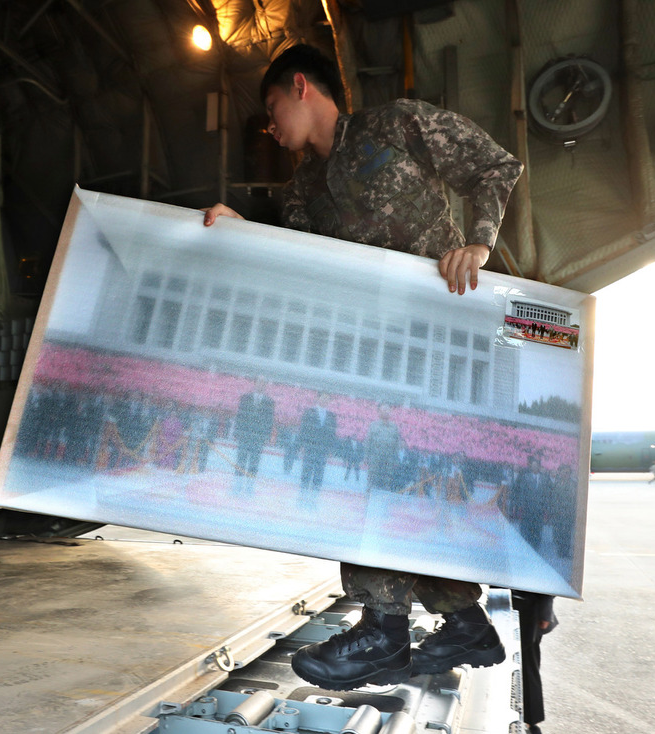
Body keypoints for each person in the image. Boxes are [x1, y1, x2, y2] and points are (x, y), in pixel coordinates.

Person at [203, 43, 522, 690]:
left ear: (301, 87)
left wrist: (480, 241)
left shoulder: (396, 125)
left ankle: (383, 627)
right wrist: (242, 227)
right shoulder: (302, 193)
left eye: (271, 110)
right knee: (392, 476)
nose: (272, 127)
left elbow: (495, 165)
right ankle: (462, 622)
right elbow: (294, 258)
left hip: (438, 334)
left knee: (382, 474)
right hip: (372, 352)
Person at [511, 591, 558, 734]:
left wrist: (545, 611)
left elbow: (546, 575)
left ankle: (531, 723)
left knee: (527, 664)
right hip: (501, 597)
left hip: (528, 608)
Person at [233, 377, 275, 478]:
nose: (261, 385)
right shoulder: (245, 398)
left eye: (263, 383)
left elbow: (269, 421)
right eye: (259, 382)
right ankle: (237, 482)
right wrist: (237, 432)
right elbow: (240, 416)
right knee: (241, 460)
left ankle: (250, 483)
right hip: (244, 435)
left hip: (258, 438)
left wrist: (267, 436)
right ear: (254, 383)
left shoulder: (269, 402)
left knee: (254, 462)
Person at [510, 455, 552, 551]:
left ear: (539, 467)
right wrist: (521, 505)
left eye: (536, 466)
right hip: (528, 508)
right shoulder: (525, 477)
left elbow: (547, 494)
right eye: (533, 466)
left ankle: (535, 546)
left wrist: (546, 507)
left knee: (537, 529)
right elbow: (522, 492)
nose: (534, 467)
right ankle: (526, 545)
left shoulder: (544, 479)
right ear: (530, 467)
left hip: (539, 509)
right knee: (527, 527)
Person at [297, 392, 337, 492]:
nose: (325, 400)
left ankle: (315, 494)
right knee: (307, 469)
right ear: (318, 398)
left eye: (327, 399)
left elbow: (332, 434)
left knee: (319, 472)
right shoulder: (309, 412)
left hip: (323, 449)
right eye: (323, 398)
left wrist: (330, 449)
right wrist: (302, 445)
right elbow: (303, 429)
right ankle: (303, 491)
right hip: (310, 446)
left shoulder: (332, 416)